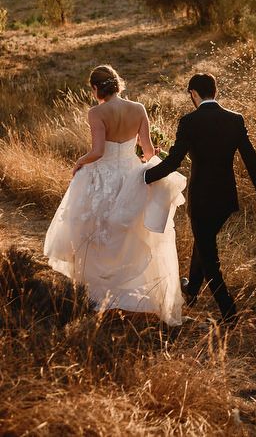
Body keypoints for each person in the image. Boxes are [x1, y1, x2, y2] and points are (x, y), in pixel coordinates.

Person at [44, 65, 186, 325]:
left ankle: (98, 296)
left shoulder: (96, 112)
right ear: (117, 84)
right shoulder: (139, 109)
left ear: (96, 88)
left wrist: (79, 161)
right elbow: (149, 151)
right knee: (130, 234)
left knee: (96, 233)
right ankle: (132, 297)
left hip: (103, 177)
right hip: (132, 177)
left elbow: (97, 151)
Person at [144, 73, 256, 325]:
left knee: (210, 259)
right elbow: (251, 158)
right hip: (225, 199)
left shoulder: (189, 122)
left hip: (201, 199)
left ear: (193, 93)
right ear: (215, 91)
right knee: (203, 241)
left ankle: (229, 314)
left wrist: (145, 176)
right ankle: (191, 293)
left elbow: (174, 161)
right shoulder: (235, 120)